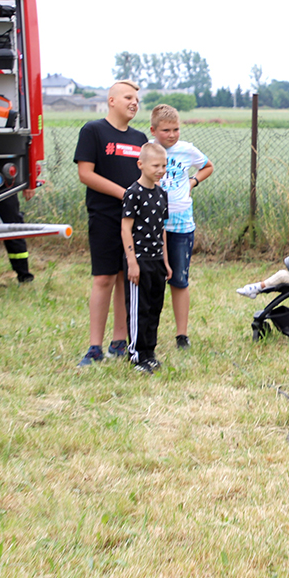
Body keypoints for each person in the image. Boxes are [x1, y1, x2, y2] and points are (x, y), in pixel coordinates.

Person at [74, 80, 149, 367]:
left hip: (133, 221)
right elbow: (86, 174)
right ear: (112, 101)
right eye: (128, 97)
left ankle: (119, 342)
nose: (134, 103)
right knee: (104, 278)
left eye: (137, 100)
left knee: (125, 278)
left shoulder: (140, 138)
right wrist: (124, 194)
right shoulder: (93, 131)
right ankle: (94, 347)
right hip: (105, 217)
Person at [150, 104, 214, 351]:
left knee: (179, 279)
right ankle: (149, 331)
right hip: (154, 223)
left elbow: (208, 166)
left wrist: (193, 181)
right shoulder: (148, 150)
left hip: (181, 224)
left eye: (176, 129)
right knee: (153, 280)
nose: (172, 135)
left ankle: (182, 334)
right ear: (154, 130)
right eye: (166, 130)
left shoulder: (186, 150)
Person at [120, 141, 171, 374]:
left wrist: (165, 261)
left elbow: (162, 229)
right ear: (140, 165)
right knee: (138, 309)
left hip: (156, 260)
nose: (160, 170)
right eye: (155, 166)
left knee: (154, 308)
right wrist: (132, 262)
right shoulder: (133, 194)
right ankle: (136, 355)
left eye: (164, 165)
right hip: (139, 260)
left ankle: (149, 352)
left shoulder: (162, 194)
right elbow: (125, 229)